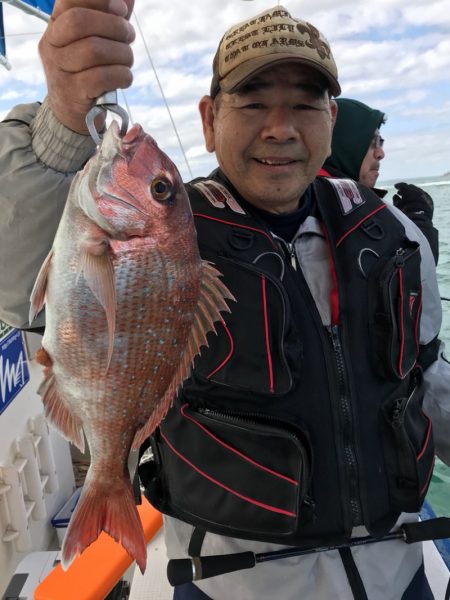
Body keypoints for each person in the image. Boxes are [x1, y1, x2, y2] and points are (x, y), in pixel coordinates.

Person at [0, 4, 449, 600]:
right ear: (209, 121)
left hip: (401, 573)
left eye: (304, 104)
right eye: (253, 101)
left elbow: (425, 375)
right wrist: (63, 118)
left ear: (330, 118)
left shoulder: (391, 232)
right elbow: (17, 285)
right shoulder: (177, 233)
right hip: (232, 586)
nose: (280, 127)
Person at [320, 97, 439, 264]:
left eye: (380, 142)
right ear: (345, 143)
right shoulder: (337, 208)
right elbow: (409, 275)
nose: (380, 153)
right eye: (371, 142)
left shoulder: (320, 197)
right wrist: (420, 219)